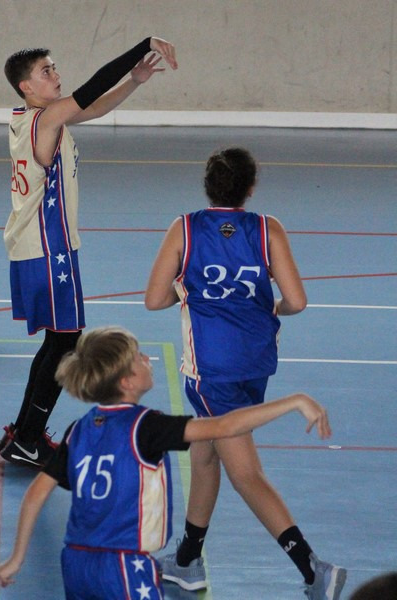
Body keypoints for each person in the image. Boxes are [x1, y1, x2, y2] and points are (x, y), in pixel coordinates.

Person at [0, 326, 333, 599]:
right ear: (126, 381)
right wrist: (294, 401)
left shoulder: (78, 430)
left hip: (75, 563)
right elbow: (225, 426)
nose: (148, 358)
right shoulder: (145, 427)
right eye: (139, 357)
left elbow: (35, 494)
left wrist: (16, 557)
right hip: (125, 566)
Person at [145, 147, 346, 600]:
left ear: (207, 185)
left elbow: (154, 299)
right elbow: (296, 301)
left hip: (210, 368)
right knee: (205, 452)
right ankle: (187, 560)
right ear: (250, 188)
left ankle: (313, 570)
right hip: (255, 361)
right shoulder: (268, 228)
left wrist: (191, 290)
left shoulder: (184, 228)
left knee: (245, 472)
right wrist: (268, 306)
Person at [0, 36, 178, 469]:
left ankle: (24, 433)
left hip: (38, 246)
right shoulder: (46, 119)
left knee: (56, 341)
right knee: (65, 343)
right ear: (26, 86)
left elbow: (93, 107)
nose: (56, 75)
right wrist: (141, 47)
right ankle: (28, 437)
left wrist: (134, 81)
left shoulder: (33, 116)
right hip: (48, 247)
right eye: (46, 71)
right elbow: (92, 89)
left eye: (54, 67)